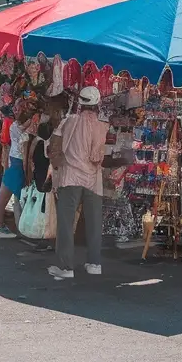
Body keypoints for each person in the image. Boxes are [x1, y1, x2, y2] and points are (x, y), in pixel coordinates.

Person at [48, 86, 109, 279]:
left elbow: (53, 147)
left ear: (80, 102)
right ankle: (94, 263)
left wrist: (56, 165)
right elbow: (98, 157)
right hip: (94, 179)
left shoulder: (68, 122)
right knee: (94, 222)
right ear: (98, 103)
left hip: (70, 177)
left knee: (66, 223)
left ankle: (65, 267)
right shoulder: (102, 126)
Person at [0, 99, 35, 238]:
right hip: (17, 163)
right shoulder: (16, 127)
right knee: (7, 196)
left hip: (16, 162)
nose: (16, 111)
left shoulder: (17, 125)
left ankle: (15, 227)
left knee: (16, 198)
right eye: (16, 108)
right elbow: (25, 132)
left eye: (18, 108)